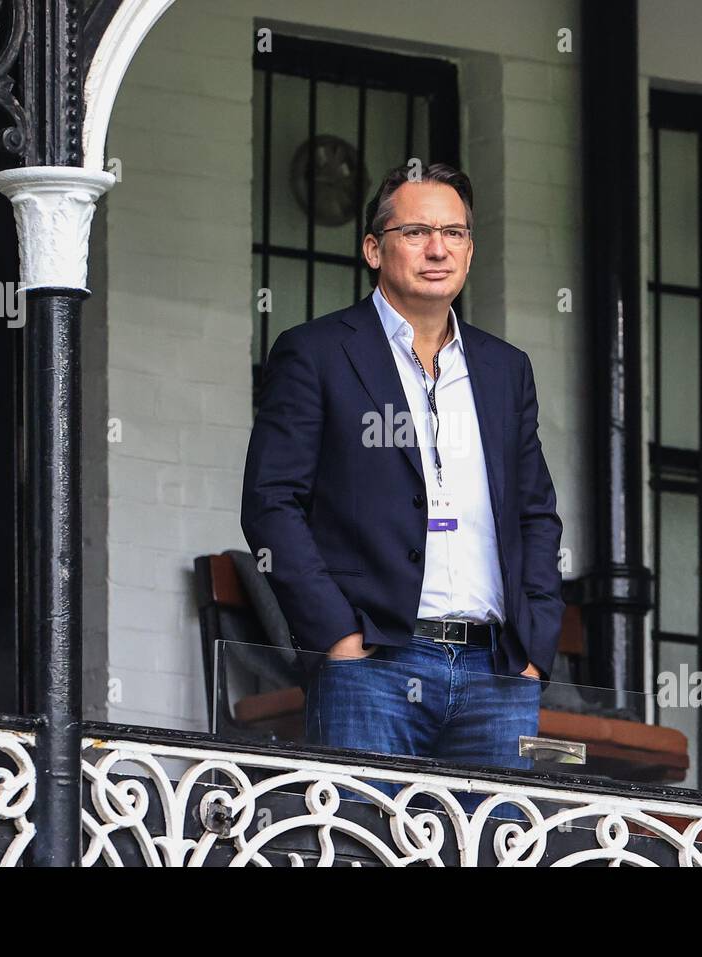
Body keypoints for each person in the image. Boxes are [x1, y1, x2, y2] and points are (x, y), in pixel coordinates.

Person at [240, 163, 564, 815]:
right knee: (367, 846)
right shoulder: (317, 352)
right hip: (374, 666)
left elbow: (536, 514)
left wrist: (535, 643)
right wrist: (338, 637)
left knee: (499, 853)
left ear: (471, 248)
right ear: (373, 248)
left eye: (454, 232)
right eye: (415, 230)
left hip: (496, 673)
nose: (437, 248)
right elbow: (270, 502)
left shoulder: (506, 370)